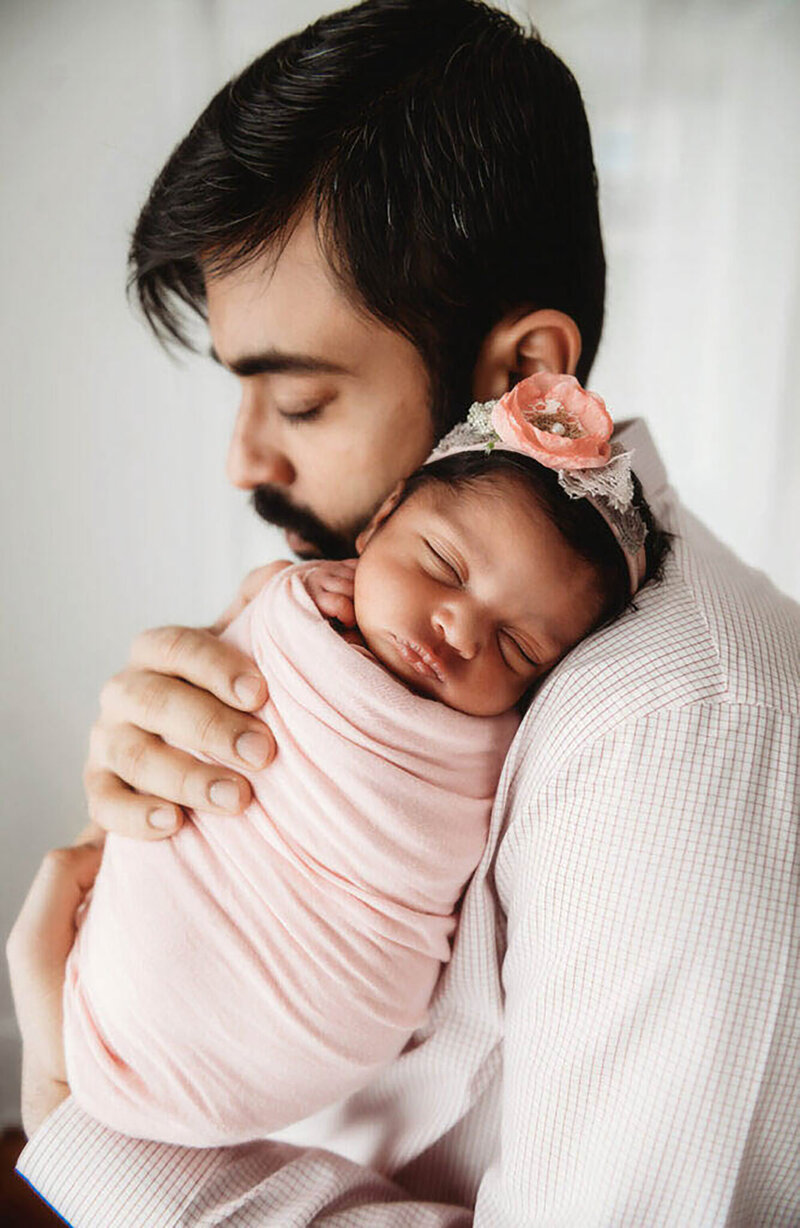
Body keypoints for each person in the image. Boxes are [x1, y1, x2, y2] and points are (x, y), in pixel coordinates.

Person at [8, 0, 799, 1223]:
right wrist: (185, 840)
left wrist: (82, 1120)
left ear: (520, 373)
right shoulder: (358, 638)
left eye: (305, 401)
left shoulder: (678, 736)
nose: (244, 461)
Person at [60, 376, 667, 1149]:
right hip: (171, 938)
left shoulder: (492, 749)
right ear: (382, 521)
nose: (459, 628)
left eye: (517, 647)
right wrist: (274, 610)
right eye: (443, 567)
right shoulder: (285, 609)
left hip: (313, 1012)